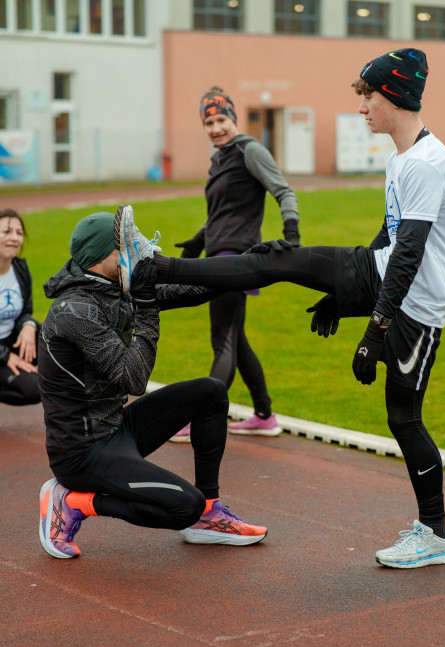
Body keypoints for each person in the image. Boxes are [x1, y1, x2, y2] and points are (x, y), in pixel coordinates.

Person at [152, 48, 445, 569]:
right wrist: (341, 296)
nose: (362, 107)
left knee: (403, 419)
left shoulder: (427, 164)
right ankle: (155, 270)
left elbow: (409, 258)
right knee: (279, 260)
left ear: (392, 95)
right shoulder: (403, 158)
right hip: (385, 275)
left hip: (417, 308)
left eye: (367, 96)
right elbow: (389, 240)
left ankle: (435, 534)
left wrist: (373, 330)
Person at [37, 205, 267, 560]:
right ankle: (73, 501)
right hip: (82, 453)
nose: (137, 247)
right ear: (103, 257)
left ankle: (208, 514)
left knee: (210, 392)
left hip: (117, 430)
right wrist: (146, 305)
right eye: (125, 244)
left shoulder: (115, 284)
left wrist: (256, 263)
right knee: (181, 507)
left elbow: (197, 290)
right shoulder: (74, 311)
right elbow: (134, 378)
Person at [171, 86, 300, 442]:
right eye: (209, 122)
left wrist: (292, 234)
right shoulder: (221, 158)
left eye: (222, 119)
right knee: (235, 339)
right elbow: (223, 212)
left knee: (222, 341)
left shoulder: (249, 150)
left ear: (234, 119)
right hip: (220, 254)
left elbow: (284, 191)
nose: (216, 127)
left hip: (236, 258)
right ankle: (264, 414)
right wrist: (199, 241)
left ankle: (200, 419)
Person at [0, 208, 40, 407]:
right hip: (2, 351)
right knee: (32, 390)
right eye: (6, 232)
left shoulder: (20, 268)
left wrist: (29, 325)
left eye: (18, 233)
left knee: (55, 334)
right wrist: (5, 356)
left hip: (9, 340)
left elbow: (25, 312)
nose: (14, 238)